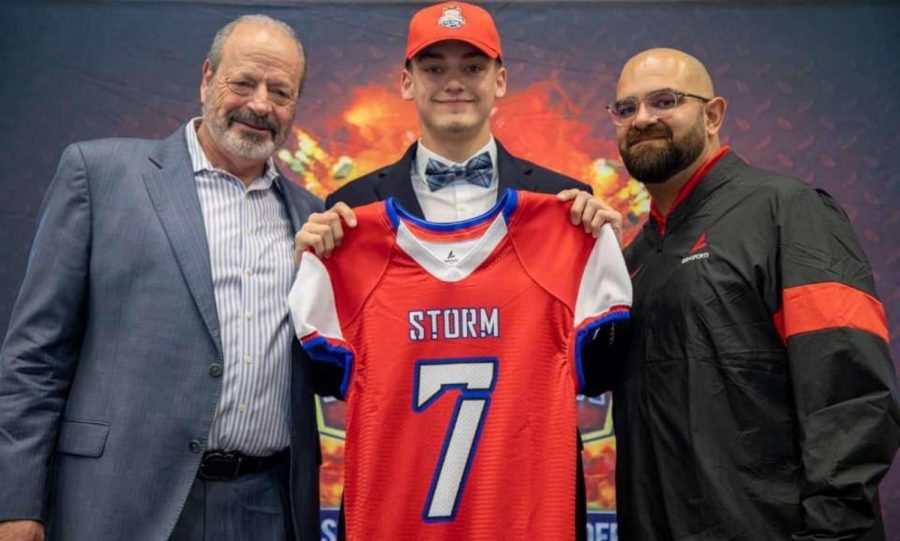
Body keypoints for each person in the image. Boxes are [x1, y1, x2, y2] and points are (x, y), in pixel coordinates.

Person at [295, 3, 623, 539]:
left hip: (524, 515)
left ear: (501, 81)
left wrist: (595, 242)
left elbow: (600, 372)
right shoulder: (349, 212)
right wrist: (310, 265)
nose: (454, 83)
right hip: (403, 512)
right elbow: (330, 381)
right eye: (434, 68)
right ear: (406, 83)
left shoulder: (565, 206)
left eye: (472, 67)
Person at [0, 15, 322, 541]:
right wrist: (15, 504)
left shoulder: (311, 217)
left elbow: (328, 367)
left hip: (264, 508)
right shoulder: (99, 176)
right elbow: (35, 358)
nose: (260, 104)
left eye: (280, 92)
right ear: (206, 78)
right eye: (243, 83)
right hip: (118, 501)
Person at [608, 47, 900, 540]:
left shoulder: (788, 211)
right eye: (626, 108)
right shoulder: (632, 259)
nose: (643, 119)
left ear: (713, 114)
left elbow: (852, 395)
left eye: (664, 101)